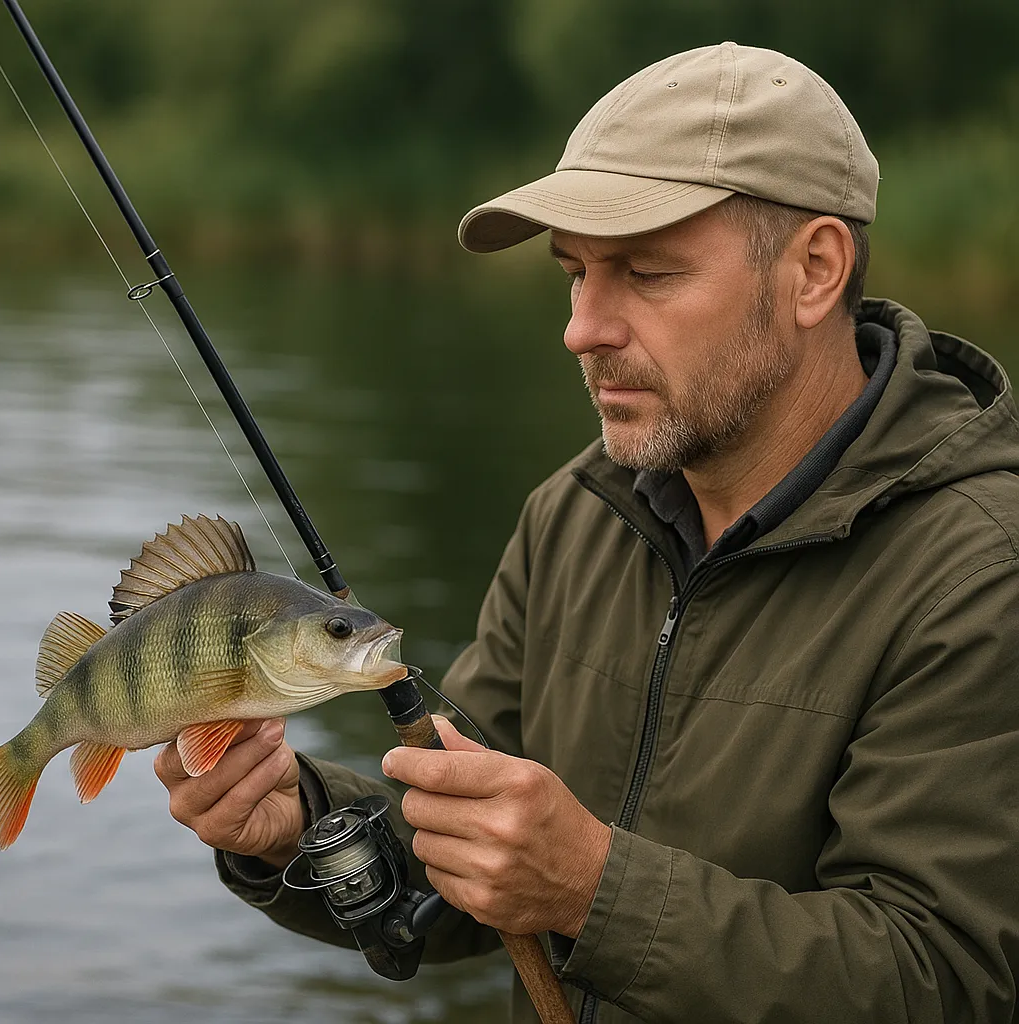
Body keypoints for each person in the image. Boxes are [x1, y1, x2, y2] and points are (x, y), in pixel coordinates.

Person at [155, 42, 1019, 1024]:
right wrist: (298, 822)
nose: (582, 328)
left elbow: (947, 979)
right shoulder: (575, 513)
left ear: (814, 271)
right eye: (574, 273)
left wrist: (592, 891)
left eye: (646, 273)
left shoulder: (978, 573)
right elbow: (466, 864)